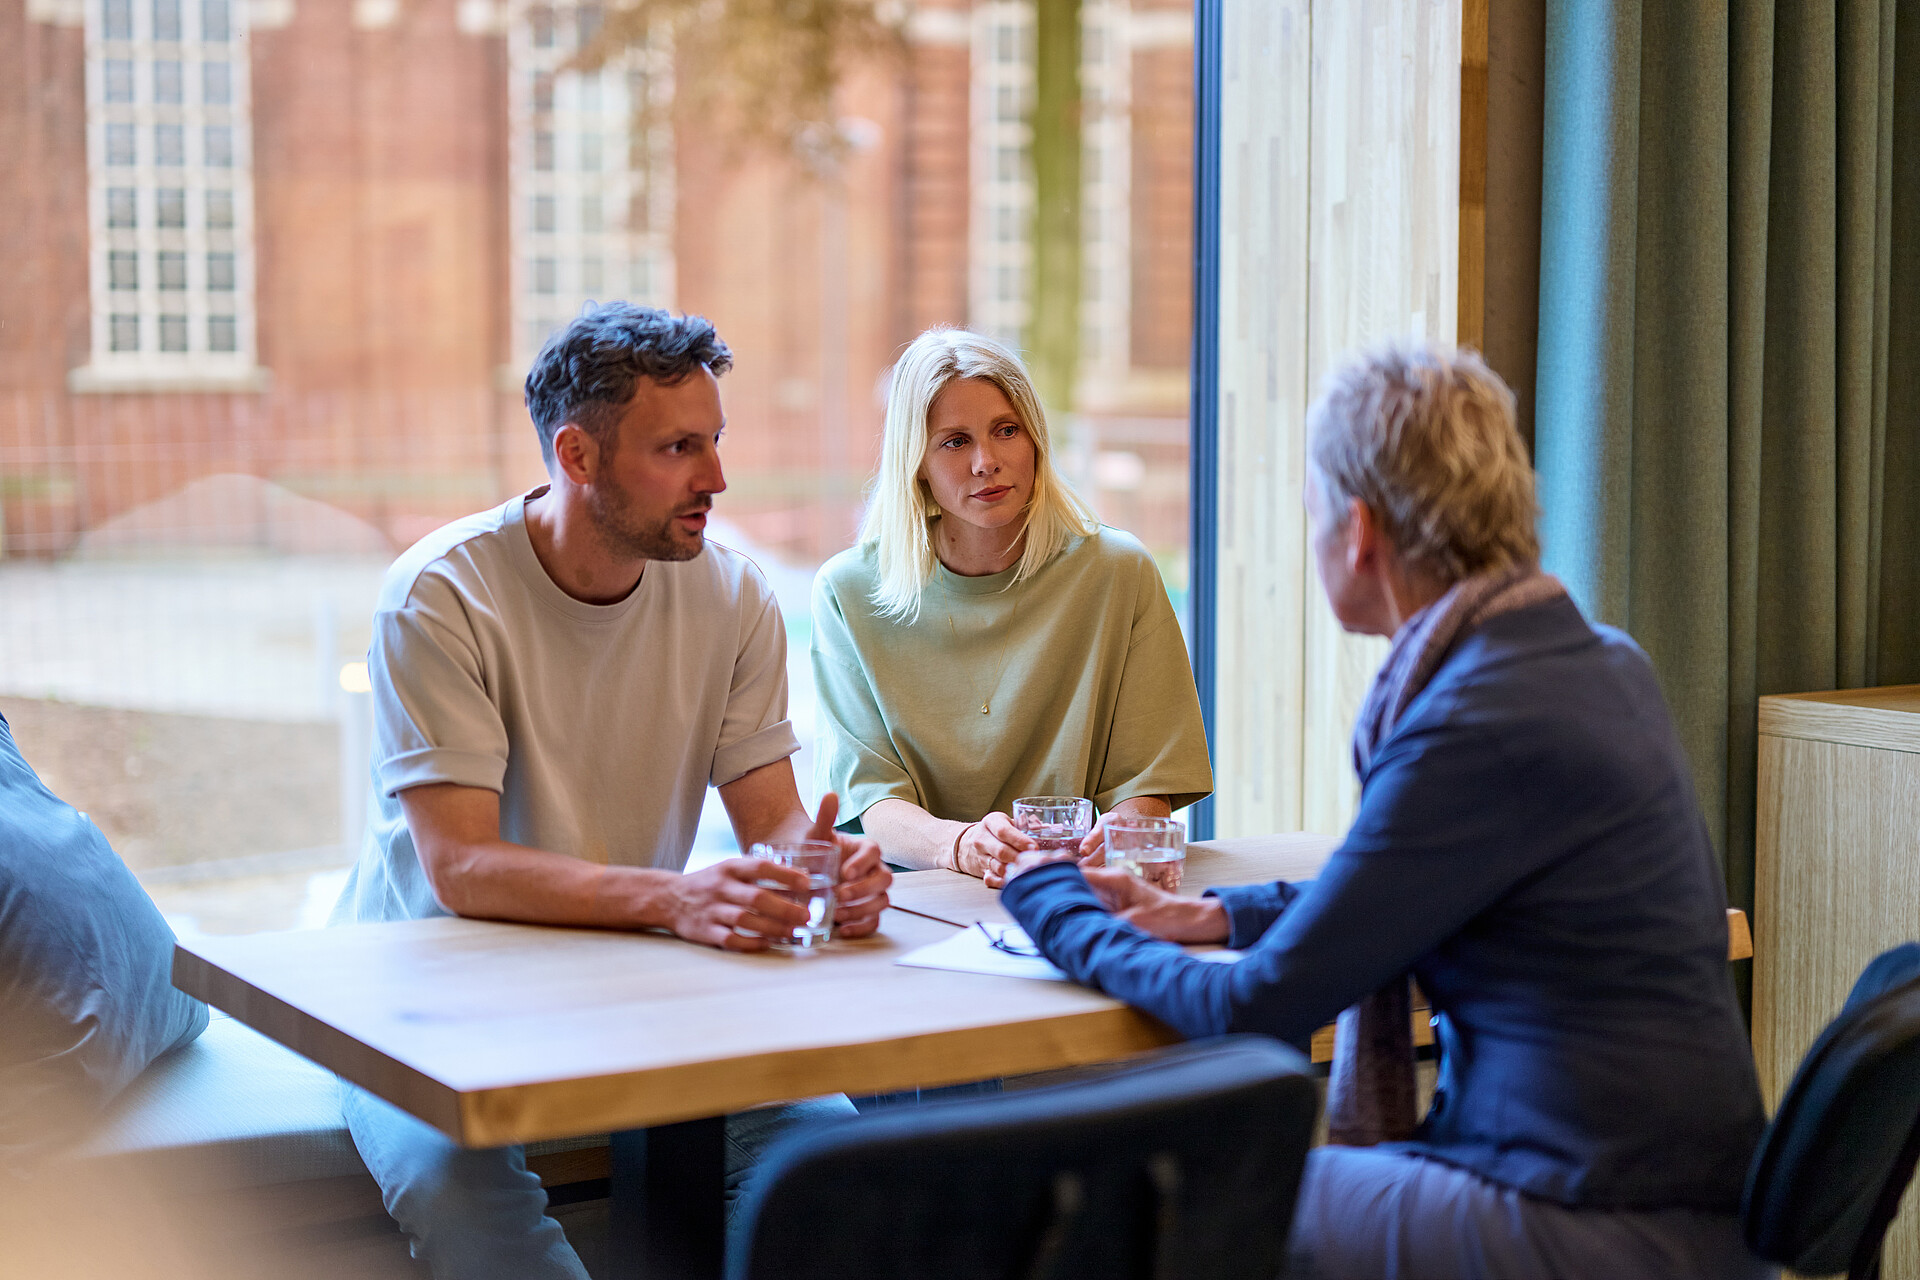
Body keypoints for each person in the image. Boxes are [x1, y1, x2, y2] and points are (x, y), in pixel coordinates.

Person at [1001, 343, 1770, 1279]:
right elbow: (1406, 892)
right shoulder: (1596, 661)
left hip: (1599, 1221)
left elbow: (1256, 1004)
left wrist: (1054, 901)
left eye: (1311, 514)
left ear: (1358, 532)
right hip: (1683, 1197)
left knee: (1193, 1197)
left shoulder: (1473, 723)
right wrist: (1218, 913)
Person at [332, 303, 891, 1280]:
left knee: (833, 1166)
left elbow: (775, 826)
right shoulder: (441, 594)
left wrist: (823, 870)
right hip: (420, 991)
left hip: (634, 979)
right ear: (577, 454)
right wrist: (680, 898)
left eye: (716, 441)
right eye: (679, 447)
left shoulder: (735, 596)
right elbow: (461, 866)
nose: (716, 477)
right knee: (456, 1188)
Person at [811, 327, 1212, 887]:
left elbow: (1148, 781)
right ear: (916, 461)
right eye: (954, 441)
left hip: (1076, 889)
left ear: (1037, 441)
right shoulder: (847, 592)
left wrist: (1115, 843)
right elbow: (870, 797)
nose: (986, 461)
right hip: (917, 897)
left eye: (1006, 431)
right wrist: (959, 846)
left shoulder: (1121, 573)